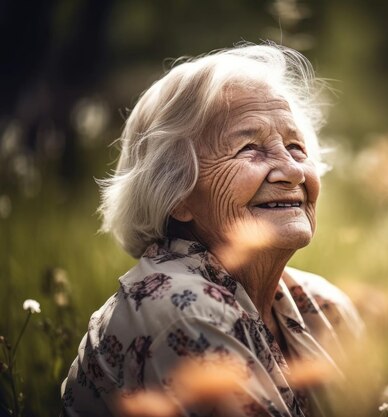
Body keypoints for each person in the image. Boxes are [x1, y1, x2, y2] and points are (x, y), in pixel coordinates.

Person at [61, 44, 364, 417]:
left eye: (295, 146)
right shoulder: (178, 312)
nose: (294, 171)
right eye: (249, 148)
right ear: (175, 192)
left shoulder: (322, 306)